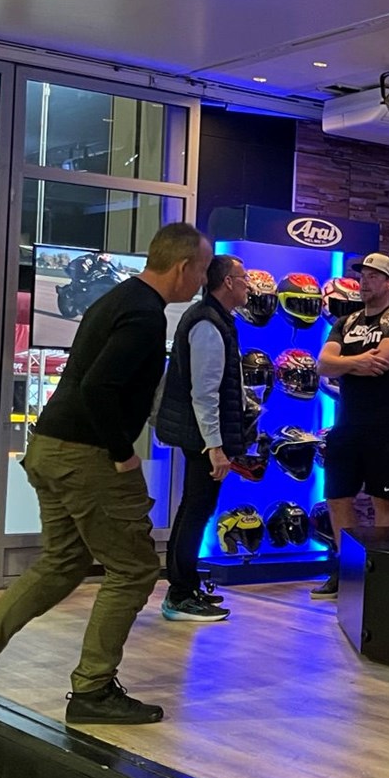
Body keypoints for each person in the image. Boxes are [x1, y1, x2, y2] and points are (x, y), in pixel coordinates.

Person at [0, 224, 211, 733]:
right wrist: (122, 453)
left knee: (63, 563)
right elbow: (100, 387)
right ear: (183, 267)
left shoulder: (119, 299)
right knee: (134, 569)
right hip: (87, 455)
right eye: (203, 270)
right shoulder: (144, 314)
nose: (202, 281)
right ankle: (93, 689)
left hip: (52, 448)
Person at [312, 253, 389, 599]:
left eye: (374, 276)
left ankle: (383, 573)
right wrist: (358, 361)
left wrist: (344, 362)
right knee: (337, 497)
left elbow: (382, 362)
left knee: (382, 500)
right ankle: (347, 572)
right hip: (347, 423)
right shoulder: (345, 322)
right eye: (363, 276)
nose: (365, 282)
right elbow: (323, 365)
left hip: (388, 425)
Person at [154, 253, 252, 624]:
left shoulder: (216, 319)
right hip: (202, 437)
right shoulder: (208, 323)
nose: (249, 285)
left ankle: (186, 586)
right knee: (196, 510)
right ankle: (180, 593)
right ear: (227, 282)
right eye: (243, 278)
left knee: (196, 508)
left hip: (203, 434)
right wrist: (215, 446)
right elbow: (205, 393)